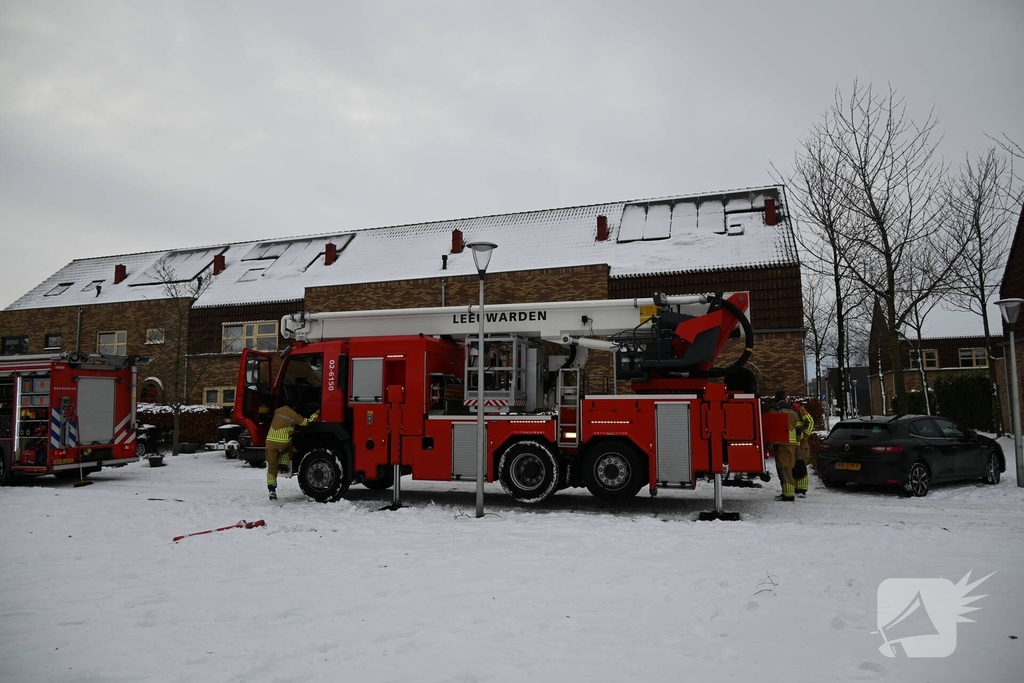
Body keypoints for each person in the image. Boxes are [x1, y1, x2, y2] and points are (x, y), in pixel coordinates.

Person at [265, 401, 318, 500]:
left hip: (270, 442)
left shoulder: (278, 411)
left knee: (272, 466)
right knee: (290, 447)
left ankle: (271, 490)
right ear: (294, 406)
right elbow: (307, 423)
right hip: (282, 442)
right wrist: (316, 414)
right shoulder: (294, 415)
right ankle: (283, 464)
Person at [768, 390, 800, 502]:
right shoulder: (793, 410)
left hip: (781, 442)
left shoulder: (775, 410)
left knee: (784, 467)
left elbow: (771, 427)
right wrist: (797, 442)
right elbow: (798, 426)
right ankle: (788, 491)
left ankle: (788, 493)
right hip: (792, 442)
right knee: (789, 466)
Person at [791, 400, 815, 497]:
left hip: (801, 442)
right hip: (793, 442)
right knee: (794, 465)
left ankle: (802, 488)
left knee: (800, 464)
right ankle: (797, 486)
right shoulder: (789, 409)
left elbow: (810, 421)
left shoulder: (799, 408)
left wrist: (805, 436)